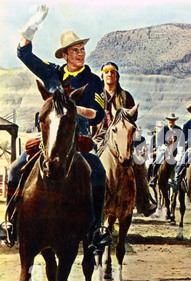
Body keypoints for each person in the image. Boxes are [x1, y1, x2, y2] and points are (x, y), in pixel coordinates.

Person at [0, 6, 109, 248]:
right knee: (15, 169)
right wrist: (32, 26)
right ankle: (10, 221)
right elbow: (23, 53)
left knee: (99, 171)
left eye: (82, 49)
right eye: (75, 50)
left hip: (77, 138)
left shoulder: (93, 81)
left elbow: (98, 114)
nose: (80, 53)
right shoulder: (52, 73)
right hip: (47, 138)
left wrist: (72, 109)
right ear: (65, 55)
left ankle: (96, 228)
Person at [96, 62, 156, 216]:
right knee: (87, 159)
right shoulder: (96, 95)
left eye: (113, 71)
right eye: (106, 71)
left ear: (117, 75)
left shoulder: (125, 96)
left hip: (122, 136)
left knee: (138, 162)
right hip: (100, 135)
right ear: (102, 75)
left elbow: (132, 118)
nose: (109, 74)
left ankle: (144, 201)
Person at [148, 113, 183, 187]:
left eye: (173, 120)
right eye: (170, 120)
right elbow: (159, 140)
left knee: (179, 160)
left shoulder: (179, 129)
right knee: (158, 159)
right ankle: (154, 177)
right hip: (165, 148)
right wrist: (165, 147)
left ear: (175, 120)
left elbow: (181, 141)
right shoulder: (164, 129)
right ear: (168, 120)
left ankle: (175, 178)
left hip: (175, 149)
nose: (171, 121)